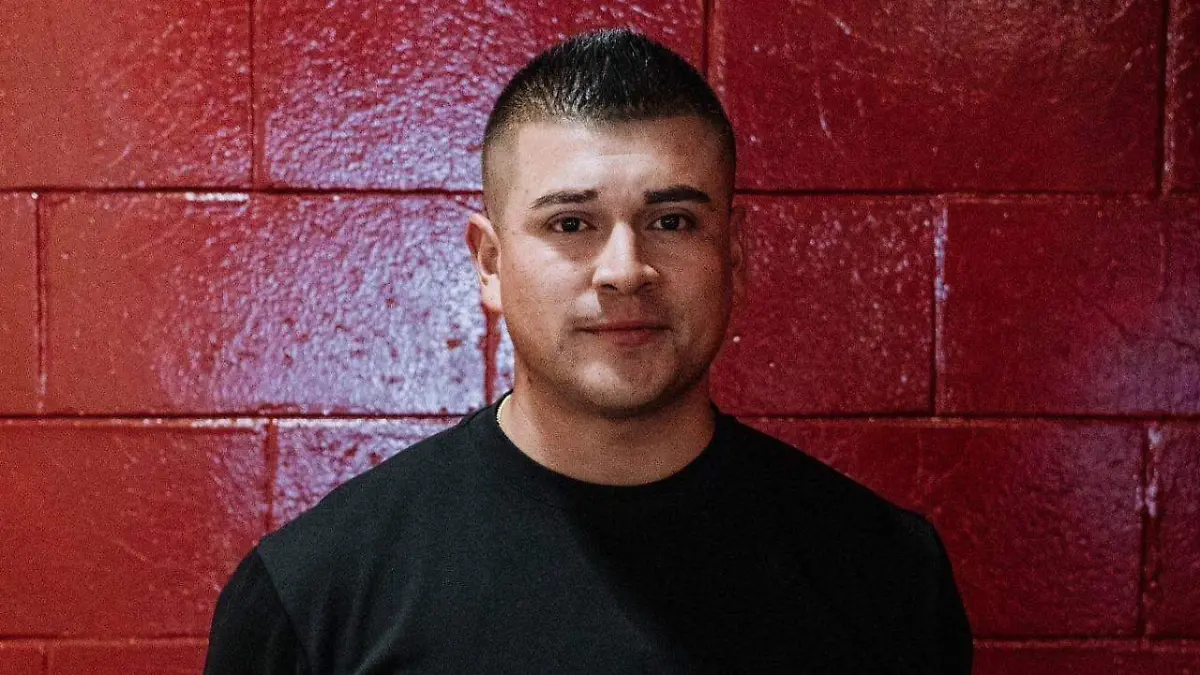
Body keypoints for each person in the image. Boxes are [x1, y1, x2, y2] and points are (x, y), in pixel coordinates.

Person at [204, 28, 973, 674]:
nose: (624, 270)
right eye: (571, 224)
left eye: (672, 221)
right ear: (490, 264)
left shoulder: (886, 577)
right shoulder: (315, 600)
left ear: (734, 256)